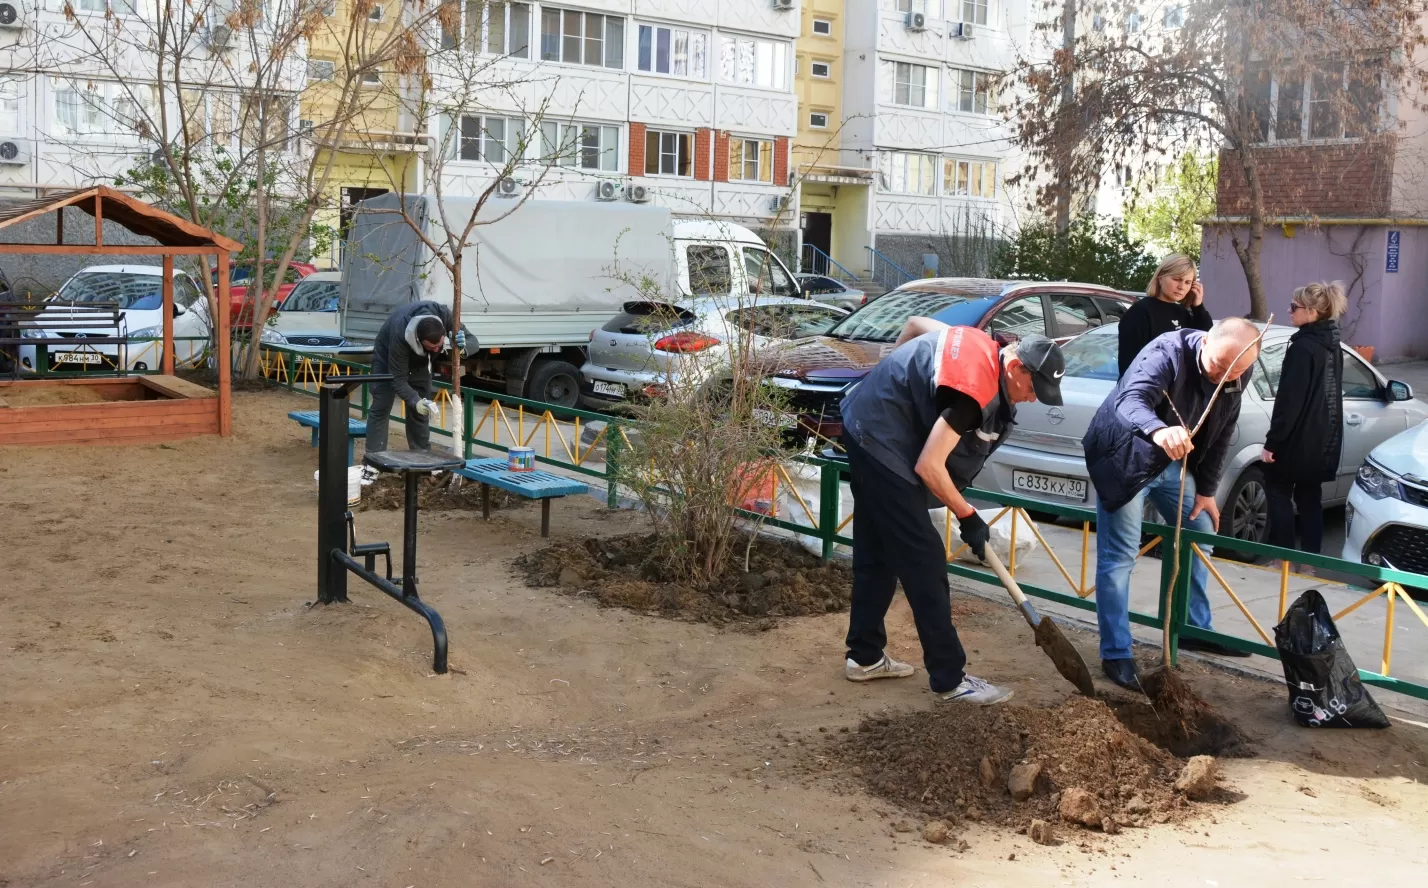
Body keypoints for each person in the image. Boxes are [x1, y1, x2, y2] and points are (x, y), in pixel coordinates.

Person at [838, 317, 1068, 705]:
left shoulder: (976, 341)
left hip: (861, 421)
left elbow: (912, 326)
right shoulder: (973, 392)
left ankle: (865, 657)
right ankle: (949, 679)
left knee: (877, 555)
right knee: (924, 561)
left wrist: (890, 382)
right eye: (1033, 389)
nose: (1032, 399)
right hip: (882, 444)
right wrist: (968, 516)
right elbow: (930, 466)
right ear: (1015, 367)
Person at [1084, 318, 1264, 691]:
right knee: (1120, 557)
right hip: (1127, 460)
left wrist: (1207, 491)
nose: (1222, 377)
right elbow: (1129, 399)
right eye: (1217, 366)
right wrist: (1159, 429)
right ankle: (1116, 653)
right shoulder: (1166, 352)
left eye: (1236, 371)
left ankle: (1194, 626)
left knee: (1199, 529)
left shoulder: (1236, 371)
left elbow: (1223, 432)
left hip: (1172, 466)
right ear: (1205, 344)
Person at [1262, 282, 1348, 564]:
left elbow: (1290, 400)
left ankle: (1283, 559)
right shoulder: (1332, 345)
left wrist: (1273, 442)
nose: (1289, 311)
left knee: (1277, 493)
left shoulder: (1303, 347)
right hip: (1323, 436)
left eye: (1294, 307)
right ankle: (1311, 563)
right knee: (1310, 499)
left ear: (1311, 312)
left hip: (1296, 438)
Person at [367, 300, 467, 453]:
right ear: (419, 340)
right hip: (387, 360)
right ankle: (373, 460)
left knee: (421, 410)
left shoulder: (444, 315)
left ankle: (421, 458)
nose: (436, 350)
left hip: (419, 363)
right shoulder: (400, 332)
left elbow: (473, 341)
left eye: (438, 346)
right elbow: (398, 379)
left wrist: (464, 346)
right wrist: (414, 399)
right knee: (381, 406)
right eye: (431, 347)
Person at [1118, 254, 1213, 378]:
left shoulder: (1182, 312)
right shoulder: (1140, 311)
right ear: (1160, 278)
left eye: (1188, 282)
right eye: (1177, 279)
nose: (1181, 287)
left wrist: (1197, 306)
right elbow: (1129, 363)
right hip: (1146, 389)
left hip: (1175, 392)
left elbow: (1205, 342)